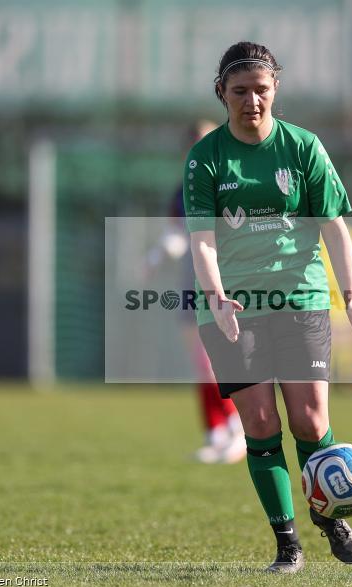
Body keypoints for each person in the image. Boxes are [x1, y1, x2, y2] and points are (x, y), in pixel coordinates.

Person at [183, 41, 352, 574]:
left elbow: (335, 228)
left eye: (261, 90)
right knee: (262, 423)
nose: (252, 101)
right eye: (240, 91)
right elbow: (202, 241)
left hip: (301, 299)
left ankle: (329, 515)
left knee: (310, 420)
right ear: (222, 92)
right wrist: (217, 299)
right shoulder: (205, 158)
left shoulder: (304, 147)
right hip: (231, 309)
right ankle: (287, 545)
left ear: (275, 89)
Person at [145, 120, 247, 465]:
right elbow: (177, 234)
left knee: (218, 361)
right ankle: (216, 433)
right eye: (193, 143)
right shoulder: (183, 190)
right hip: (192, 282)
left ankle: (238, 428)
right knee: (201, 364)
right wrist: (156, 256)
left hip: (226, 281)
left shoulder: (234, 183)